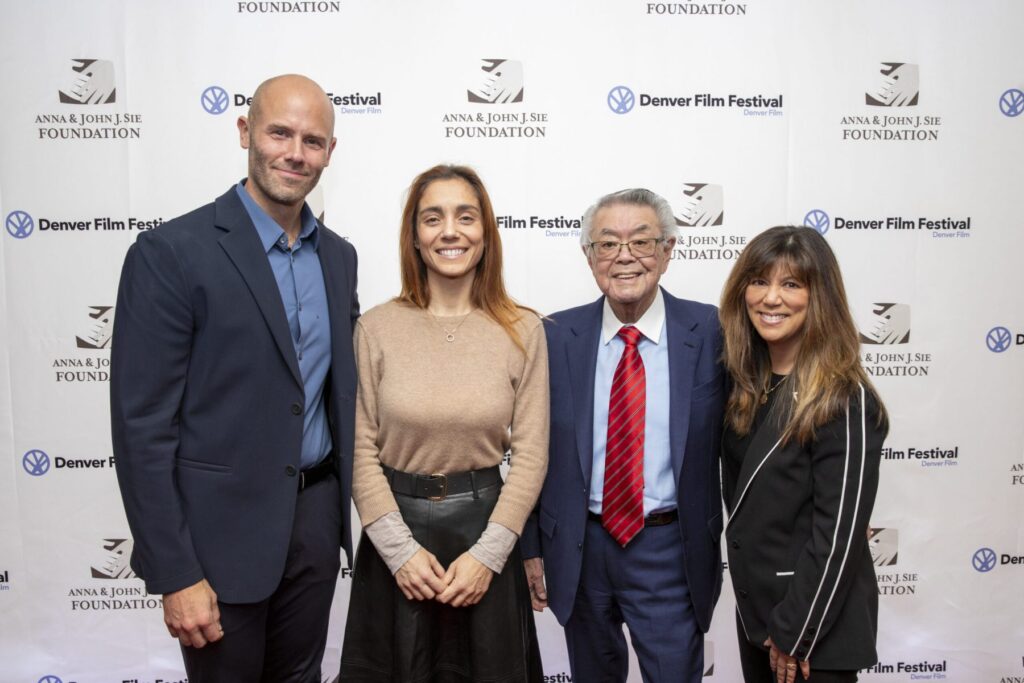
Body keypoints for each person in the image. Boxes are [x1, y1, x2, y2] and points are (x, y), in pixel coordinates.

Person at [110, 74, 359, 682]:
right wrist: (175, 572)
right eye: (280, 133)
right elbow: (142, 429)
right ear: (246, 131)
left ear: (331, 152)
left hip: (315, 525)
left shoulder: (339, 257)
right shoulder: (171, 253)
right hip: (218, 544)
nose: (296, 153)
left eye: (314, 140)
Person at [339, 164, 548, 682]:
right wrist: (399, 552)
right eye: (433, 218)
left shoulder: (524, 329)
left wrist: (489, 556)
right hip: (395, 540)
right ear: (414, 236)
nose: (450, 231)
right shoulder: (376, 328)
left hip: (485, 534)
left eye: (466, 217)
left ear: (486, 232)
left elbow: (532, 455)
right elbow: (359, 450)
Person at [521, 188, 725, 683]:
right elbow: (529, 446)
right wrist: (530, 546)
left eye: (642, 241)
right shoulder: (552, 335)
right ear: (589, 256)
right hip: (579, 546)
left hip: (669, 549)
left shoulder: (714, 331)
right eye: (608, 244)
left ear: (669, 250)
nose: (625, 256)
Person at [719, 225, 888, 683]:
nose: (771, 298)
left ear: (820, 297)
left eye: (791, 284)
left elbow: (839, 535)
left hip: (813, 631)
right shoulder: (745, 386)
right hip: (758, 618)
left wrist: (796, 632)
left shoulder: (844, 397)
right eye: (759, 281)